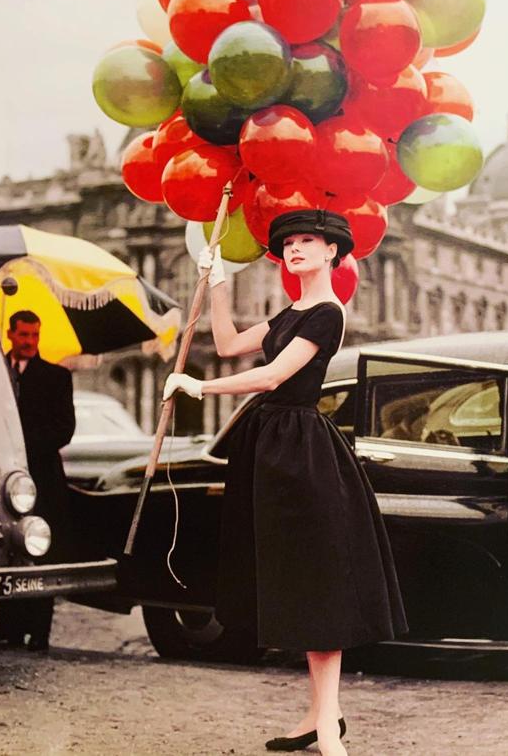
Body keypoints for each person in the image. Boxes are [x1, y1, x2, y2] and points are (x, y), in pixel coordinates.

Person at [163, 210, 408, 756]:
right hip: (270, 448)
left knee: (319, 580)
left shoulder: (328, 314)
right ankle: (322, 716)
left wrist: (199, 389)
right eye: (289, 243)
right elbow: (226, 343)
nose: (295, 249)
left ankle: (326, 726)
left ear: (331, 254)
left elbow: (273, 376)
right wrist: (219, 278)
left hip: (303, 451)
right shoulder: (286, 315)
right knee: (296, 581)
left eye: (308, 242)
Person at [0, 310, 76, 652]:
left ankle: (39, 631)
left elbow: (64, 429)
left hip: (42, 479)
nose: (30, 342)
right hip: (0, 479)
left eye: (35, 335)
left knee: (40, 553)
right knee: (3, 549)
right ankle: (8, 628)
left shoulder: (57, 377)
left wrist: (20, 444)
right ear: (11, 334)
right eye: (24, 335)